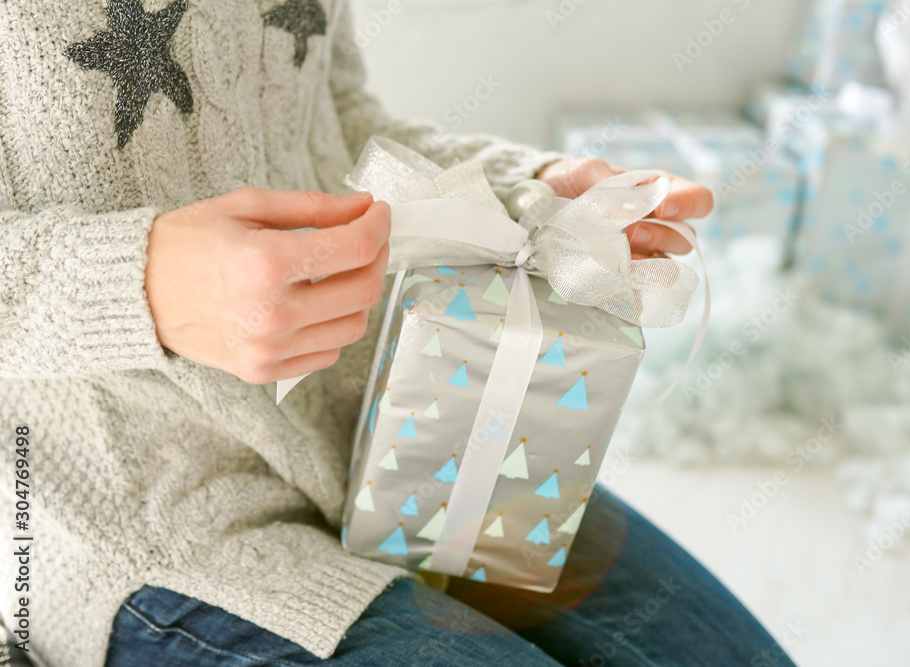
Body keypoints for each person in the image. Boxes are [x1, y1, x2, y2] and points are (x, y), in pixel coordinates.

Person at [0, 0, 796, 665]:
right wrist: (134, 282)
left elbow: (335, 122)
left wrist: (523, 192)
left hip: (400, 412)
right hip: (125, 520)